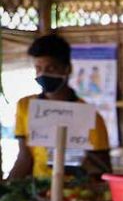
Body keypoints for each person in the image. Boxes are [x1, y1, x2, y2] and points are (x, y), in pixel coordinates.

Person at [11, 34, 111, 180]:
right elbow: (24, 157)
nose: (43, 74)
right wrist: (9, 188)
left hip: (75, 194)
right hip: (39, 191)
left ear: (67, 69)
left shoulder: (90, 117)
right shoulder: (25, 106)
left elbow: (102, 169)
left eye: (50, 68)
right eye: (38, 68)